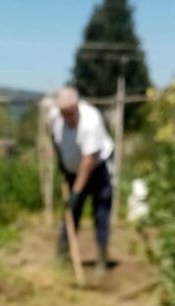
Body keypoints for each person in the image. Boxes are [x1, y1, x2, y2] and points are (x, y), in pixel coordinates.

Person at [48, 86, 114, 276]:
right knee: (70, 212)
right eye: (64, 114)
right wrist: (61, 162)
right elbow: (53, 139)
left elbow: (88, 160)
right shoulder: (54, 118)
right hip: (72, 169)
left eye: (70, 113)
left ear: (77, 107)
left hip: (98, 169)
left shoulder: (91, 121)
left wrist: (77, 192)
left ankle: (102, 258)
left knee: (101, 210)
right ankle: (61, 255)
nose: (67, 118)